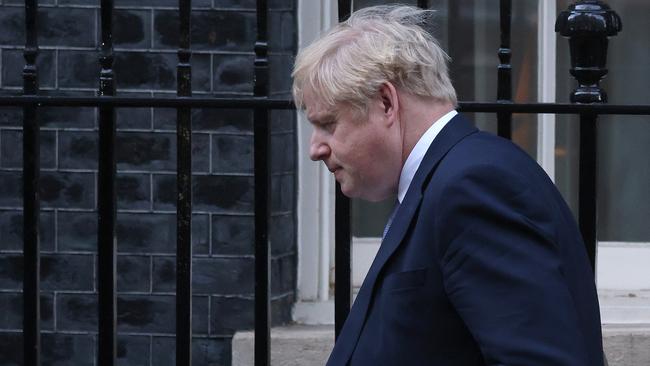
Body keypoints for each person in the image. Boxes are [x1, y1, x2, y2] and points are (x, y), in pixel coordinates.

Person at [292, 5, 604, 366]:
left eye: (329, 123)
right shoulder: (445, 180)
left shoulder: (472, 186)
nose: (316, 149)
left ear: (386, 102)